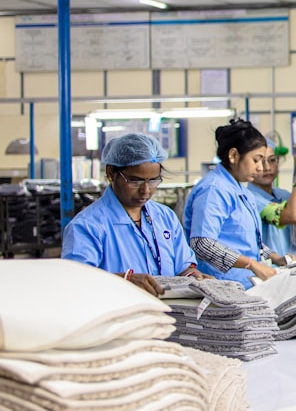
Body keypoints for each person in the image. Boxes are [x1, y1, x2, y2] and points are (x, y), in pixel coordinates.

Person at [62, 133, 209, 296]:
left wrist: (193, 277)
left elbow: (183, 266)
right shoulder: (87, 226)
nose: (145, 190)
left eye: (153, 181)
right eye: (135, 181)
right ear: (111, 173)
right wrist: (125, 280)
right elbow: (75, 280)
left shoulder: (165, 217)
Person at [184, 119, 278, 287]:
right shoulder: (214, 190)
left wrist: (275, 257)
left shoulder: (241, 190)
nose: (261, 168)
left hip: (245, 283)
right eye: (256, 160)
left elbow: (245, 241)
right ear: (233, 156)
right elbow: (202, 243)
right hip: (222, 284)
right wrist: (251, 264)